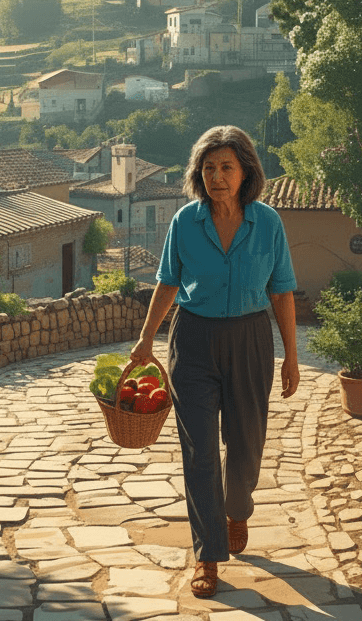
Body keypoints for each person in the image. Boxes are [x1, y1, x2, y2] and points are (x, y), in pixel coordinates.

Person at [127, 125, 299, 598]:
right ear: (198, 174)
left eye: (227, 167)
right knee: (199, 450)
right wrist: (145, 342)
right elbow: (166, 282)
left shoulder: (268, 223)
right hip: (195, 340)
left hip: (250, 339)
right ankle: (208, 555)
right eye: (209, 168)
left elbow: (281, 290)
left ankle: (237, 508)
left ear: (246, 172)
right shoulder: (186, 221)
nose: (217, 176)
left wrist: (291, 357)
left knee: (246, 442)